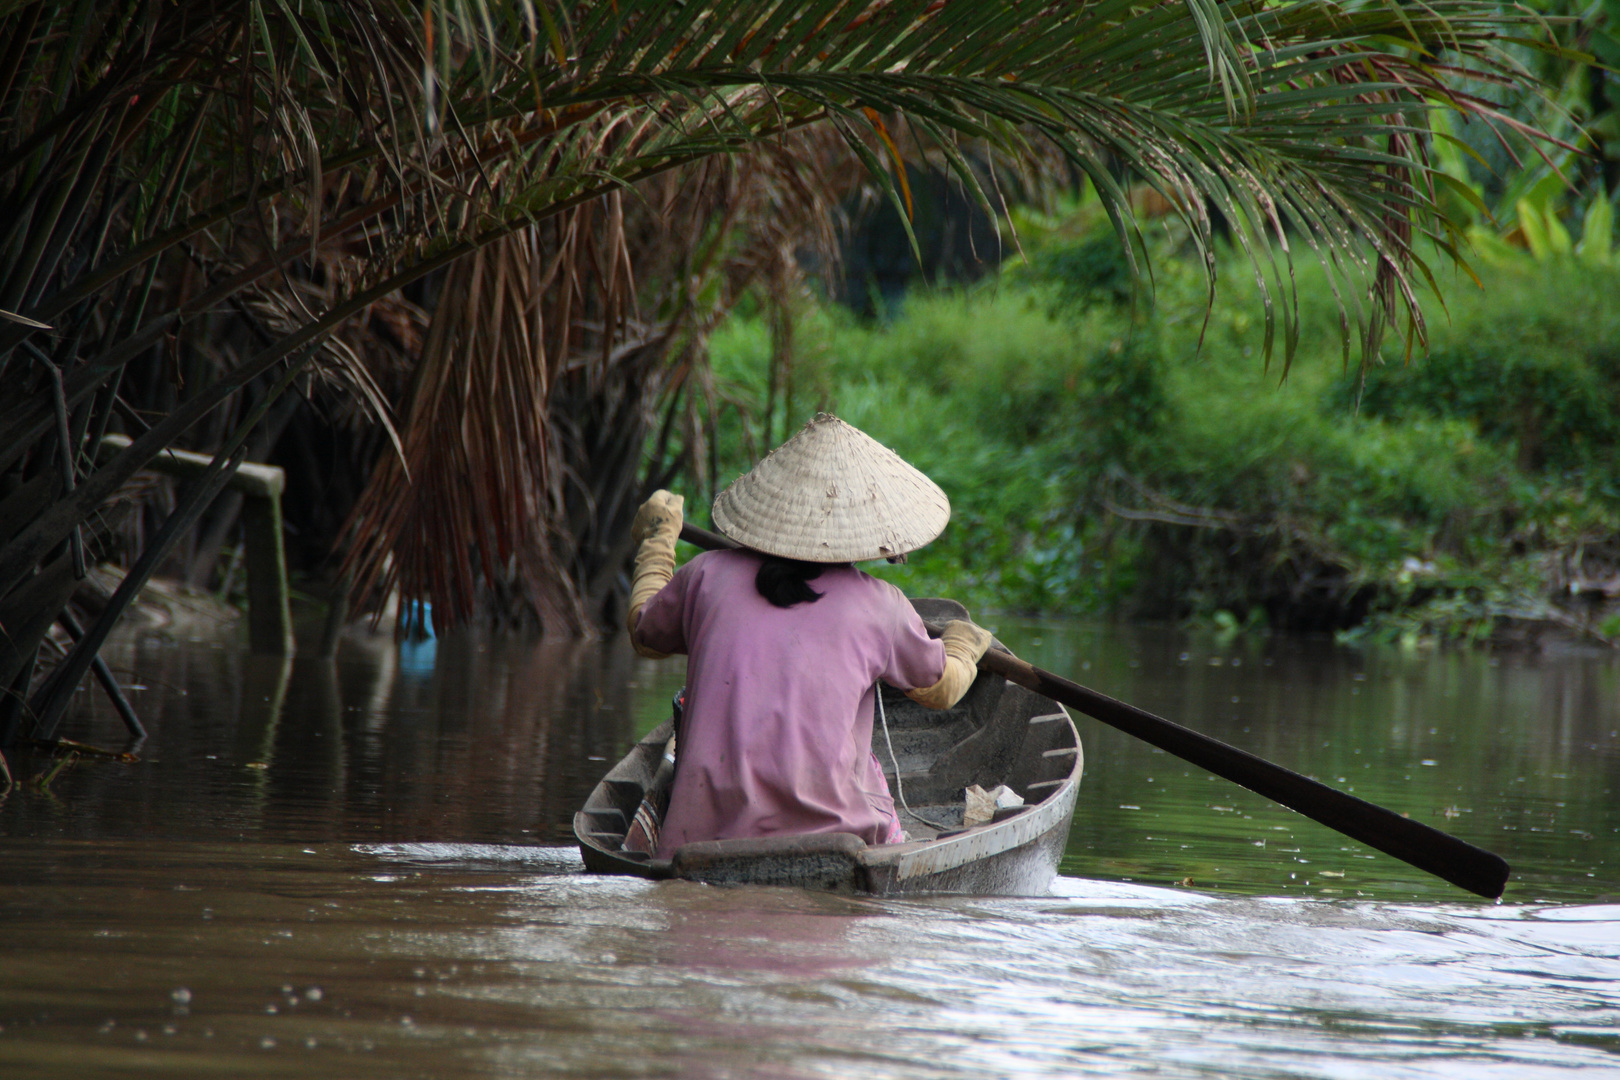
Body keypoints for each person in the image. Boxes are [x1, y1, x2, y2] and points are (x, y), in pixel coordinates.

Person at [625, 413, 993, 857]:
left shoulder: (706, 576)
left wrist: (658, 540)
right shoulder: (881, 605)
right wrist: (964, 645)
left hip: (700, 838)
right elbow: (941, 689)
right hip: (834, 840)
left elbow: (644, 632)